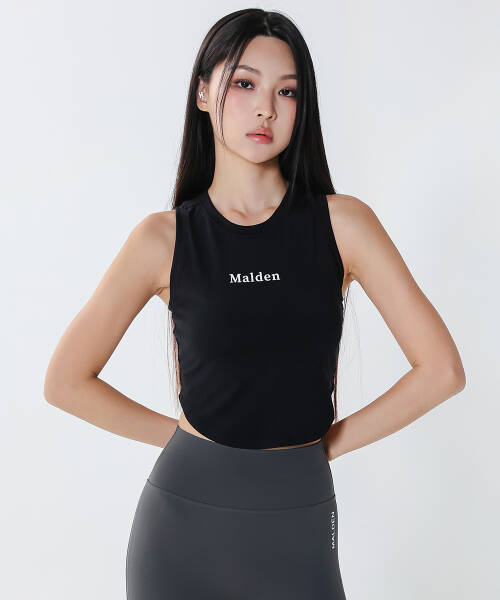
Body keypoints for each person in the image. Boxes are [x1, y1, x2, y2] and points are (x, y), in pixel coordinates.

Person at [44, 8, 466, 599]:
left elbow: (442, 371)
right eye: (244, 83)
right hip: (182, 524)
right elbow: (65, 382)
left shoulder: (344, 225)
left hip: (300, 518)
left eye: (286, 91)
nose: (266, 107)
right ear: (202, 93)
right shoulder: (162, 239)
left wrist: (323, 447)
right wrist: (184, 441)